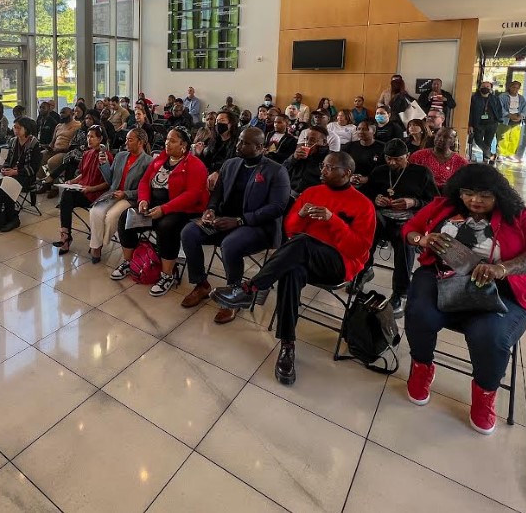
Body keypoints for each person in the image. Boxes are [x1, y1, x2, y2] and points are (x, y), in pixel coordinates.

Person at [401, 164, 526, 434]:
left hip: (500, 290)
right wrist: (422, 240)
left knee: (488, 336)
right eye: (468, 193)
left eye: (484, 195)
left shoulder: (518, 217)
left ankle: (484, 395)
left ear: (498, 195)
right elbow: (410, 228)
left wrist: (502, 268)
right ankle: (422, 366)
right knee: (419, 313)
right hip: (442, 277)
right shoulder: (442, 206)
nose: (475, 200)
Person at [211, 152, 376, 385]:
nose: (323, 171)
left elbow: (359, 250)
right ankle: (287, 345)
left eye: (330, 168)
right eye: (323, 166)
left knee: (302, 243)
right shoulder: (312, 193)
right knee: (291, 269)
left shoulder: (363, 205)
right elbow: (290, 229)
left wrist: (333, 220)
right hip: (302, 256)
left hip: (338, 262)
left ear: (347, 173)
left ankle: (250, 289)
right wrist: (299, 214)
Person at [179, 128, 290, 323]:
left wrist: (240, 220)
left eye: (244, 143)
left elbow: (277, 207)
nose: (238, 145)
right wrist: (211, 209)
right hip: (224, 220)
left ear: (260, 147)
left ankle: (234, 297)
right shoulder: (231, 164)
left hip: (257, 227)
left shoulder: (276, 170)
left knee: (231, 245)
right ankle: (201, 284)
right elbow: (217, 193)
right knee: (189, 232)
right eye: (239, 141)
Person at [112, 128, 209, 296]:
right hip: (154, 206)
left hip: (181, 210)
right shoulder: (160, 160)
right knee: (126, 217)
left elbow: (192, 195)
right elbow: (144, 182)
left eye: (172, 141)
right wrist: (143, 200)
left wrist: (164, 209)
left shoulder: (195, 164)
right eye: (166, 139)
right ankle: (129, 262)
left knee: (166, 226)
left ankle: (167, 275)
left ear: (183, 145)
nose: (166, 143)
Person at [362, 139, 440, 315]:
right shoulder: (380, 171)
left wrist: (413, 202)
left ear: (407, 156)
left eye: (397, 159)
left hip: (410, 219)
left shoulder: (421, 173)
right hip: (383, 216)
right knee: (368, 225)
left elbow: (435, 202)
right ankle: (364, 269)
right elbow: (366, 194)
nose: (392, 163)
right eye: (389, 158)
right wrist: (376, 198)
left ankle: (401, 292)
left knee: (405, 238)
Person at [88, 128, 154, 263]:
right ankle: (96, 245)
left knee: (111, 216)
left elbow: (146, 189)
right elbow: (111, 180)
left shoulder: (148, 162)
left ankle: (99, 245)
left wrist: (126, 193)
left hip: (130, 198)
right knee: (95, 211)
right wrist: (104, 165)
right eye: (126, 139)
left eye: (130, 140)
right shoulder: (120, 156)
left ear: (140, 142)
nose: (126, 143)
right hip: (113, 192)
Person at [55, 125, 113, 256]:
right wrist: (73, 181)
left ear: (100, 139)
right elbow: (83, 174)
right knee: (66, 195)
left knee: (68, 197)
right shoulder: (87, 153)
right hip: (84, 190)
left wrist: (92, 188)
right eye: (88, 136)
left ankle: (68, 237)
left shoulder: (106, 156)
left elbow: (108, 182)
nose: (89, 139)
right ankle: (65, 235)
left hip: (97, 193)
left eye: (92, 137)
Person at [0, 116, 41, 229]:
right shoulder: (12, 141)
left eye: (18, 128)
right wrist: (4, 168)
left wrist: (15, 172)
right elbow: (7, 160)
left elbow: (34, 167)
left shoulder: (34, 143)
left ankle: (12, 218)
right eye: (14, 127)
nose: (15, 130)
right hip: (10, 173)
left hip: (25, 176)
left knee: (4, 184)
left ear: (26, 129)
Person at [194, 110, 238, 188]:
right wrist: (199, 154)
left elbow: (233, 165)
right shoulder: (212, 141)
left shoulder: (237, 143)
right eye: (217, 121)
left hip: (225, 178)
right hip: (208, 175)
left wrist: (218, 173)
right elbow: (206, 162)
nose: (218, 124)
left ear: (231, 124)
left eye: (222, 120)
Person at [284, 126, 329, 200]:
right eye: (306, 139)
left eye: (312, 140)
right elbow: (283, 170)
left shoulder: (328, 158)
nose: (308, 143)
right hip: (291, 191)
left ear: (324, 142)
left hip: (312, 196)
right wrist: (293, 158)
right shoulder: (299, 153)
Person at [469, 81, 504, 163]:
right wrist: (470, 124)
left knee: (488, 142)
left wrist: (498, 119)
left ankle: (486, 159)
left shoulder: (494, 98)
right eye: (483, 86)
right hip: (478, 123)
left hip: (492, 124)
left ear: (491, 88)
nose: (485, 88)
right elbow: (470, 112)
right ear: (480, 87)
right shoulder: (474, 98)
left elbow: (499, 109)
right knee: (478, 140)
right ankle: (491, 155)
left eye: (488, 86)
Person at [343, 120, 385, 187]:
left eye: (365, 129)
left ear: (374, 131)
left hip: (374, 183)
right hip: (352, 182)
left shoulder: (382, 147)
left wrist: (367, 179)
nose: (361, 132)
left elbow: (383, 170)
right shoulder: (350, 146)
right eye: (359, 129)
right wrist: (350, 177)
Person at [496, 80, 526, 163]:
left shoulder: (521, 98)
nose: (515, 89)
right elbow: (500, 107)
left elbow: (524, 109)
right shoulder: (502, 96)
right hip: (505, 119)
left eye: (517, 88)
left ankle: (510, 154)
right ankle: (501, 154)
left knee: (514, 138)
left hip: (517, 119)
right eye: (513, 87)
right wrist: (509, 115)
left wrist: (521, 116)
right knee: (503, 137)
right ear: (510, 87)